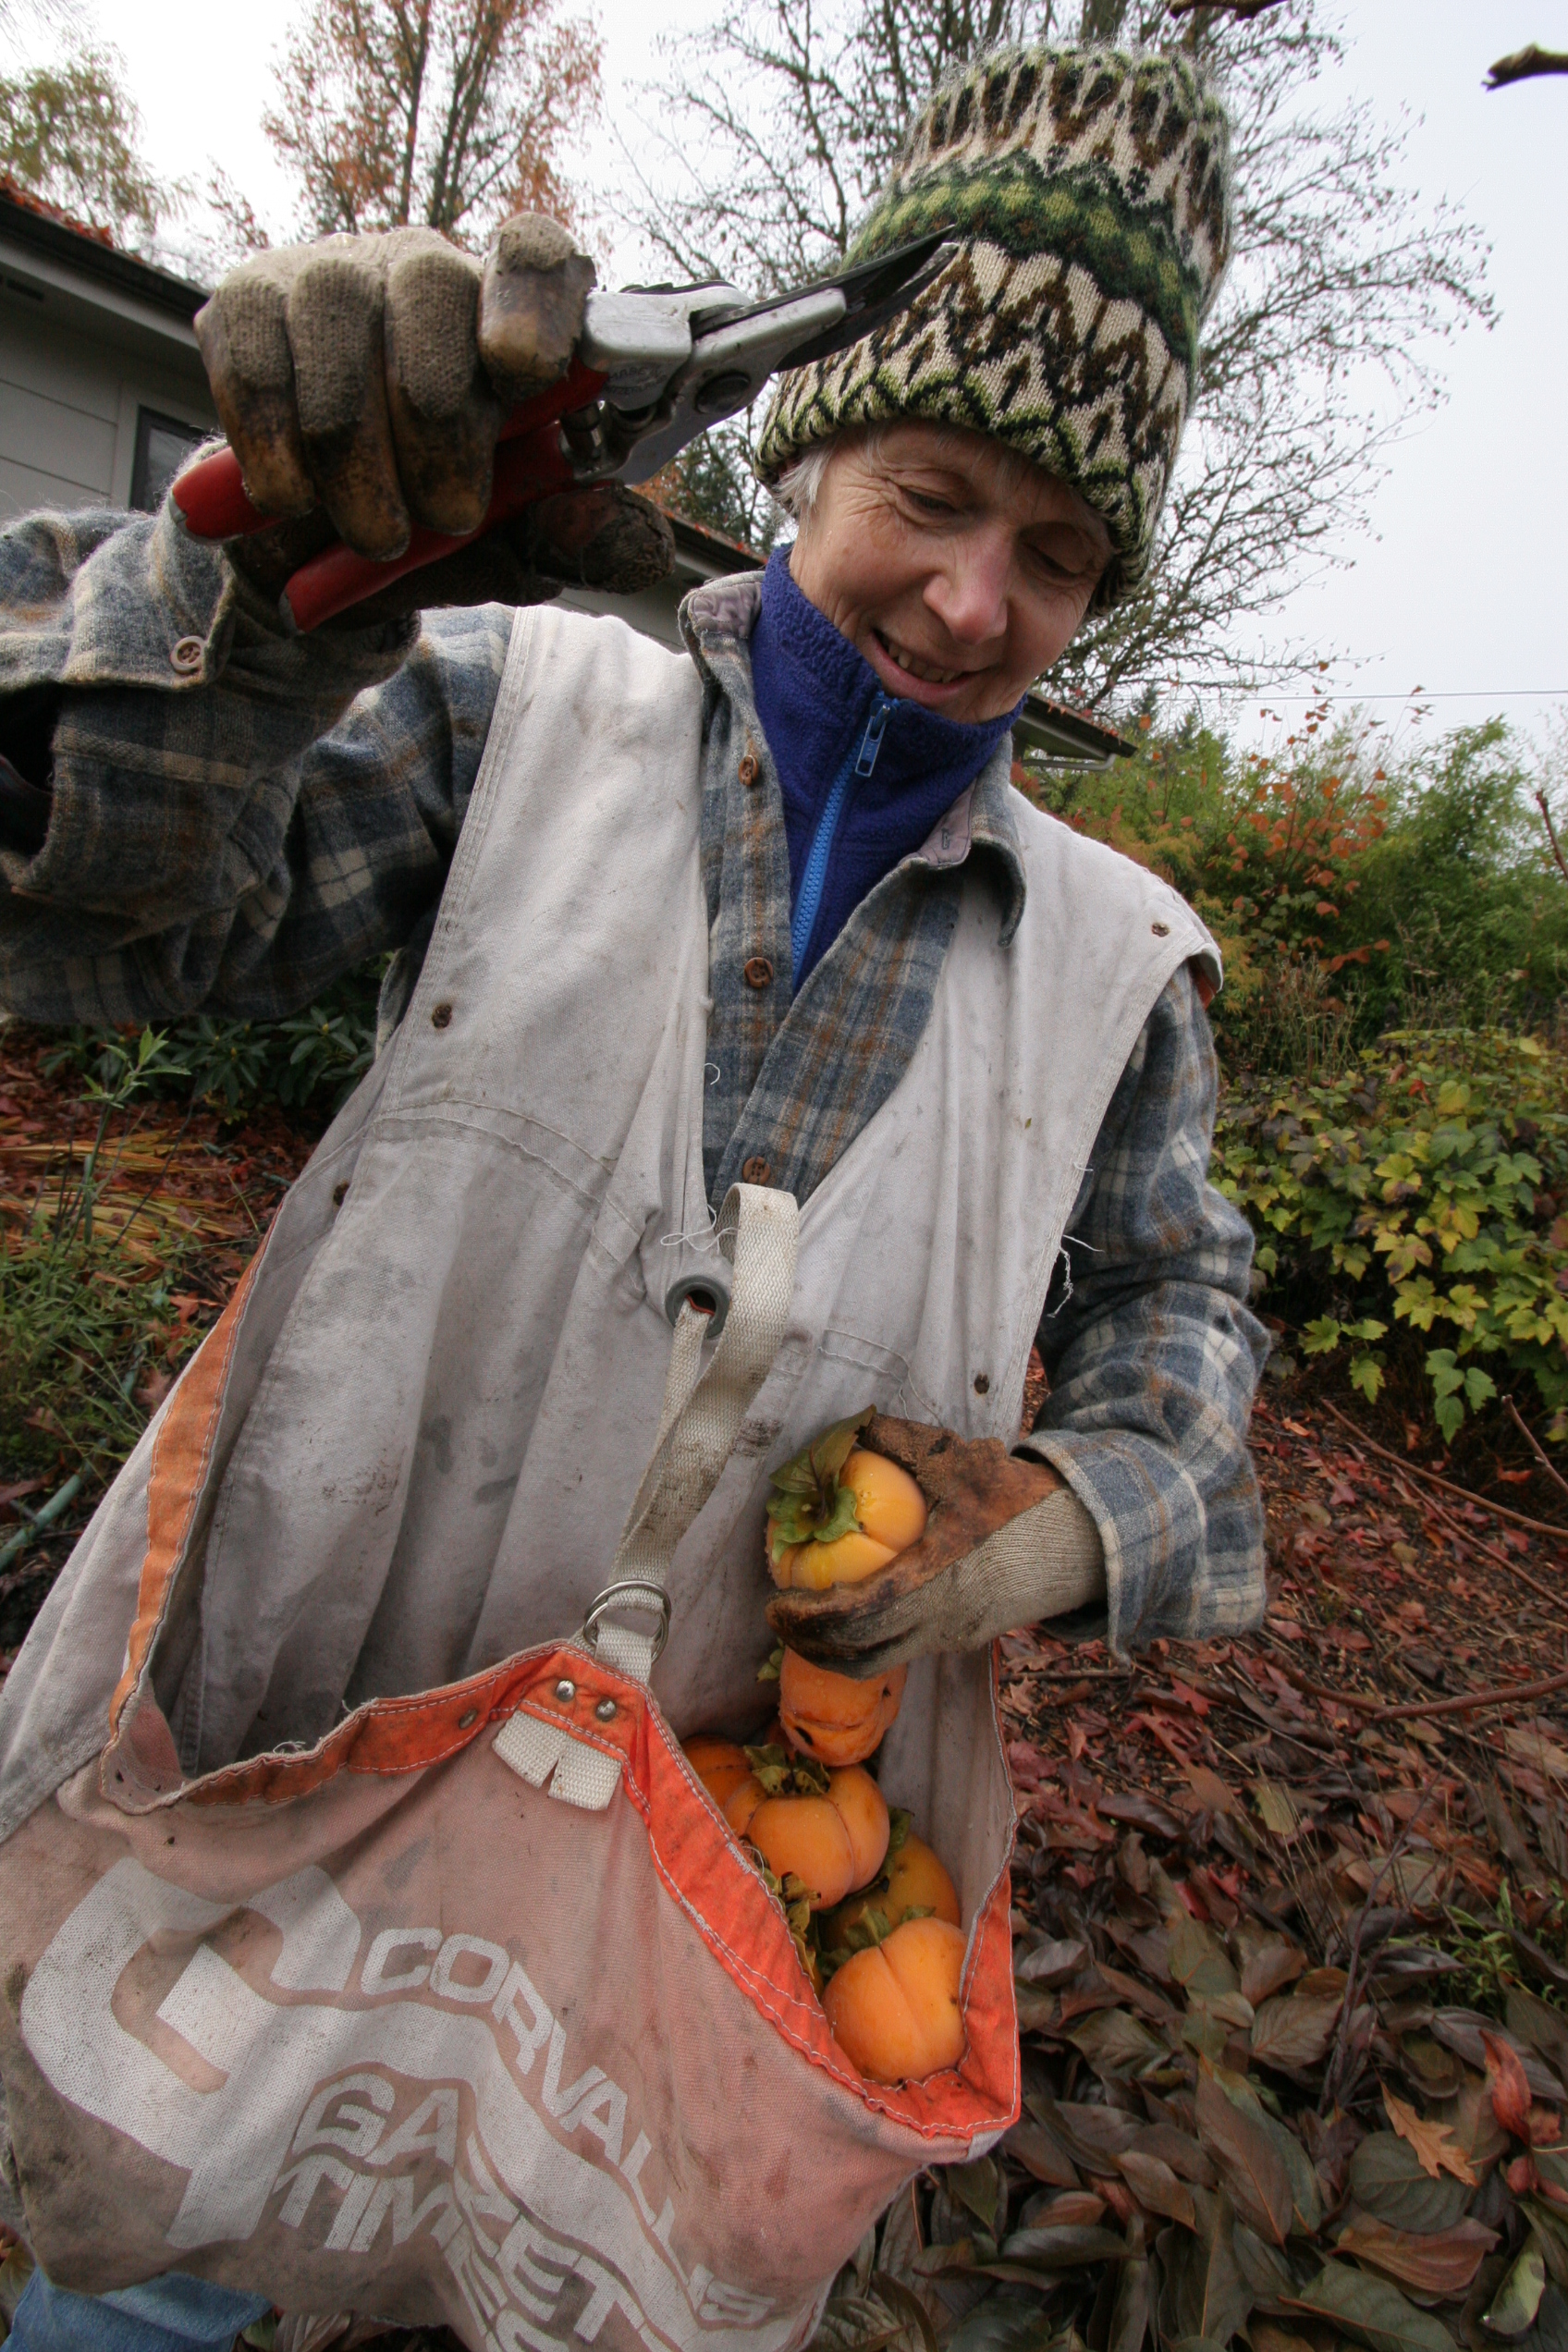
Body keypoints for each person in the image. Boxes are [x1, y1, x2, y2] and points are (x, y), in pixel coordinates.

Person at [0, 42, 1266, 2352]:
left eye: (1060, 555)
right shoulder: (505, 712)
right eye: (931, 494)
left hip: (684, 1910)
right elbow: (118, 925)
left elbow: (1182, 1330)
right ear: (810, 451)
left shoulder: (1115, 969)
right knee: (159, 2273)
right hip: (294, 1783)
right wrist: (260, 599)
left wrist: (1071, 1520)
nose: (973, 600)